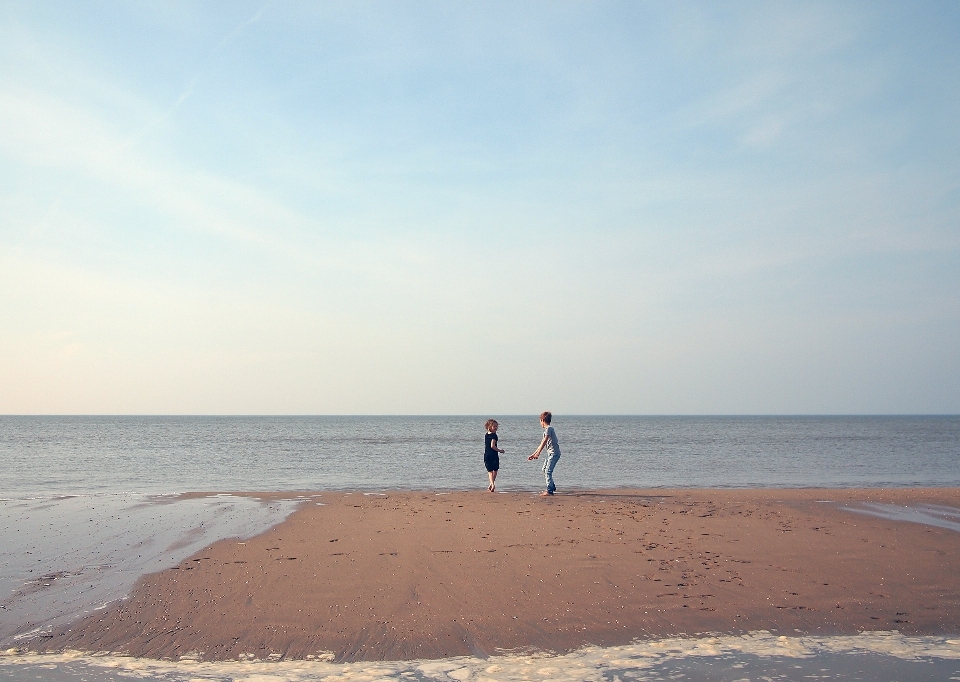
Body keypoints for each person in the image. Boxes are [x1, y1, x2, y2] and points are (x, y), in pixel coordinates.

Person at [527, 411, 561, 496]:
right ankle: (552, 486)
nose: (540, 423)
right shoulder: (547, 430)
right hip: (550, 453)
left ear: (542, 420)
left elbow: (544, 441)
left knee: (548, 471)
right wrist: (534, 454)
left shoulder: (549, 429)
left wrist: (538, 454)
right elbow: (541, 444)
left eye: (540, 421)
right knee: (544, 469)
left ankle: (549, 490)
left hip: (554, 453)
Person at [484, 419, 505, 492]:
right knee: (495, 470)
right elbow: (492, 446)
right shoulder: (494, 436)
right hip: (493, 455)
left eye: (496, 426)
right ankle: (492, 484)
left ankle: (491, 484)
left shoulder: (486, 435)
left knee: (490, 471)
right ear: (489, 426)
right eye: (494, 426)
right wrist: (500, 450)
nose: (496, 428)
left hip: (486, 455)